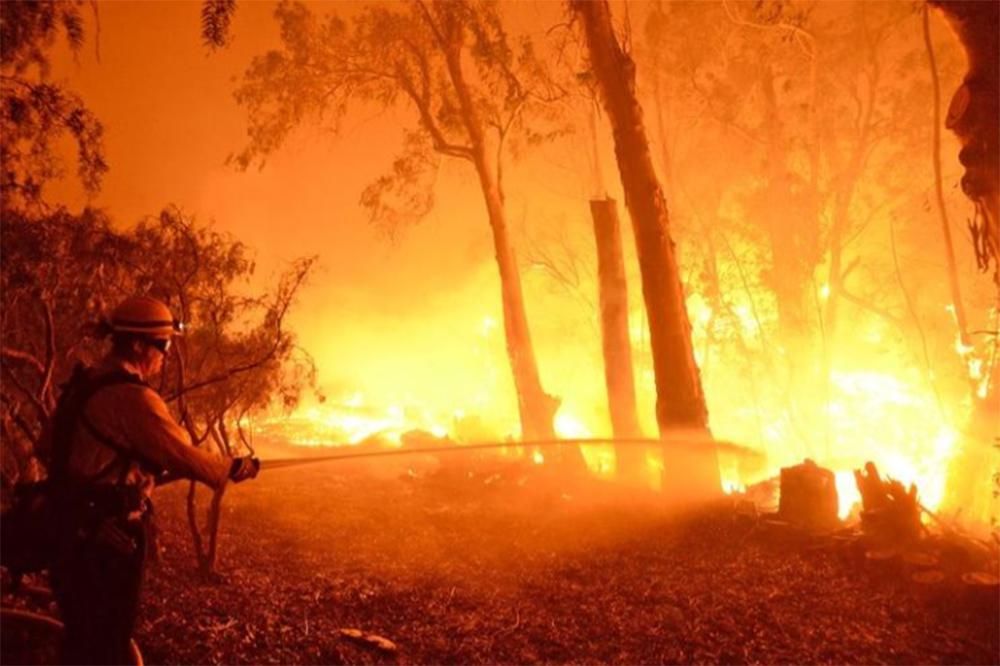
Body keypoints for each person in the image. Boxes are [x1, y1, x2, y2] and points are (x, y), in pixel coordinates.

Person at [41, 296, 260, 665]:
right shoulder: (133, 398)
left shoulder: (85, 383)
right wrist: (233, 467)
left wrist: (123, 471)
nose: (167, 354)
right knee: (107, 642)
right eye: (164, 345)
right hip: (109, 540)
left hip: (69, 528)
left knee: (80, 637)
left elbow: (48, 448)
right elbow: (186, 455)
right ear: (139, 344)